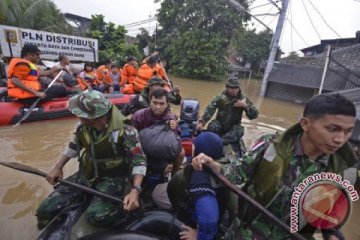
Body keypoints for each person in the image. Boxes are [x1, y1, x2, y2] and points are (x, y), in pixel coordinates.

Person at [191, 94, 359, 240]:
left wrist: (333, 233)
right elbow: (238, 173)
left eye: (348, 131)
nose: (340, 139)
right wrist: (214, 165)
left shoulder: (345, 171)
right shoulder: (270, 144)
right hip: (245, 232)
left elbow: (331, 215)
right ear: (306, 124)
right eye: (332, 129)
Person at [36, 90, 147, 229]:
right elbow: (74, 146)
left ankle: (127, 214)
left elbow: (139, 160)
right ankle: (82, 198)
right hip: (87, 175)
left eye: (81, 113)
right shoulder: (83, 127)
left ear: (95, 116)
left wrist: (135, 190)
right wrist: (58, 167)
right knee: (45, 209)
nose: (77, 115)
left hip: (113, 179)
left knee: (96, 217)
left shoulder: (126, 131)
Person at [167, 132, 232, 240]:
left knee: (156, 194)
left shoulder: (199, 175)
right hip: (219, 206)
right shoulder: (224, 167)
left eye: (194, 145)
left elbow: (209, 217)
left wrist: (200, 236)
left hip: (196, 217)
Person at [131, 88, 185, 198]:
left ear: (167, 104)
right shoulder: (138, 116)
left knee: (181, 153)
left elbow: (175, 140)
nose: (158, 107)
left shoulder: (170, 118)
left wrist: (175, 127)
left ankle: (174, 175)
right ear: (149, 101)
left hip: (160, 151)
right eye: (155, 103)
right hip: (142, 151)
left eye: (162, 103)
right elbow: (130, 138)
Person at [197, 78, 258, 152]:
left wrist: (244, 106)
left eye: (236, 88)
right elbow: (210, 109)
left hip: (234, 126)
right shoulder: (220, 97)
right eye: (232, 88)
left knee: (239, 131)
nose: (234, 90)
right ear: (227, 87)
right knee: (212, 126)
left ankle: (219, 142)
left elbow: (254, 115)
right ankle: (217, 141)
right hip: (220, 124)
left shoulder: (243, 98)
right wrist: (202, 122)